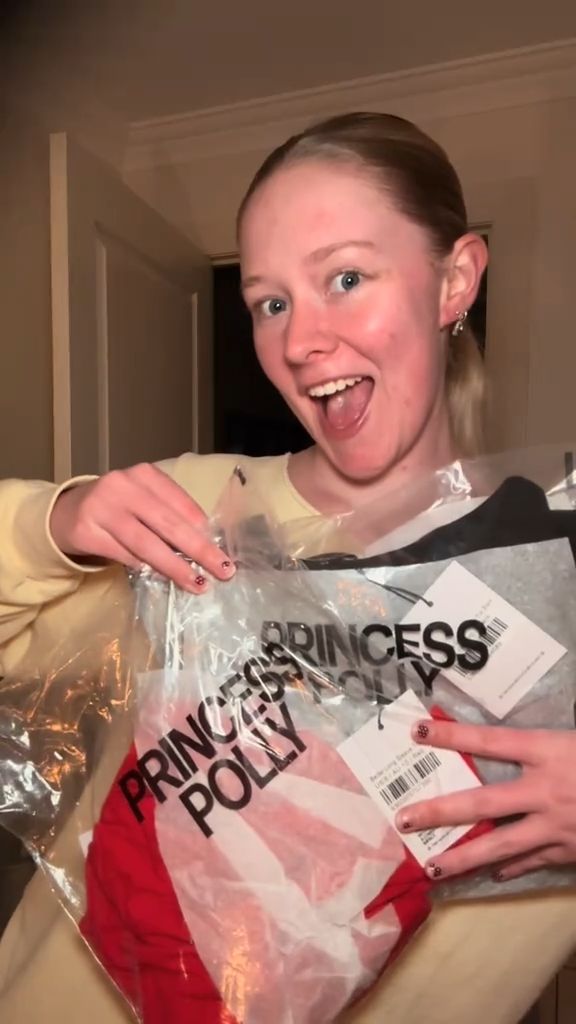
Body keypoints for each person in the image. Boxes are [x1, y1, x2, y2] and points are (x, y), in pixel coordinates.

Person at [0, 111, 575, 1024]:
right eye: (270, 303)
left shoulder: (558, 582)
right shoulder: (194, 511)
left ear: (454, 280)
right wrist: (52, 525)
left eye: (346, 278)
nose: (299, 341)